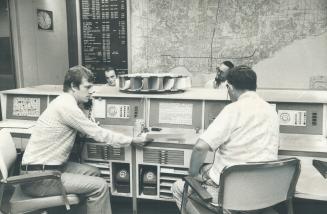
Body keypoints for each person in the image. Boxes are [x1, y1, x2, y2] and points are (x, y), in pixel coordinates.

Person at [20, 65, 151, 214]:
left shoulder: (64, 102)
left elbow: (85, 129)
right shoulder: (67, 107)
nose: (91, 91)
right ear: (73, 87)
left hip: (50, 168)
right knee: (100, 186)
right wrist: (132, 140)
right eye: (87, 87)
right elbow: (99, 133)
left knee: (93, 172)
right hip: (38, 178)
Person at [172, 65, 279, 209]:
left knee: (178, 188)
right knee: (207, 169)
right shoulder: (271, 111)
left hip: (233, 196)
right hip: (263, 195)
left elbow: (200, 147)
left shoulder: (233, 109)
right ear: (254, 86)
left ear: (230, 87)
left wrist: (193, 176)